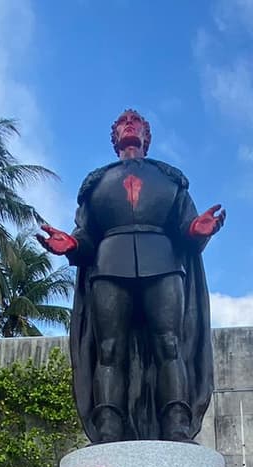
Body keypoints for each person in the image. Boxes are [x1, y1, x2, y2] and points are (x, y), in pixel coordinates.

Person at [37, 109, 225, 443]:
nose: (128, 125)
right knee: (109, 349)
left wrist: (198, 231)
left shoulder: (170, 179)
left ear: (145, 135)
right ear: (114, 139)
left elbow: (186, 229)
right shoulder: (95, 184)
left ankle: (176, 423)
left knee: (170, 344)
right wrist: (71, 245)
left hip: (164, 264)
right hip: (109, 266)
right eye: (122, 123)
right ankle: (109, 425)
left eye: (134, 122)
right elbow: (86, 237)